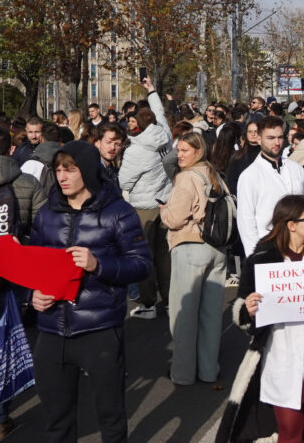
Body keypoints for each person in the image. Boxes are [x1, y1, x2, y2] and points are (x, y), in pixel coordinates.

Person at [29, 141, 152, 443]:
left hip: (99, 329)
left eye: (69, 169)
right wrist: (30, 294)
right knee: (56, 422)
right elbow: (31, 266)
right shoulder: (46, 213)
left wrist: (99, 264)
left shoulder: (118, 212)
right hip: (51, 329)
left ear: (86, 170)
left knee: (111, 418)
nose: (62, 177)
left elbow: (141, 265)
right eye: (58, 170)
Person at [217, 195, 304, 443]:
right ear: (291, 225)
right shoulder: (262, 258)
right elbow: (242, 312)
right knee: (290, 430)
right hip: (280, 356)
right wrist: (247, 310)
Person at [159, 131, 227, 386]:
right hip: (217, 248)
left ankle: (183, 373)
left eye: (185, 150)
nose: (179, 155)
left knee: (184, 315)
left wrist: (164, 210)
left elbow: (175, 218)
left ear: (198, 152)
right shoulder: (214, 173)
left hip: (191, 247)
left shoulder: (186, 177)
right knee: (211, 315)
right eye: (179, 150)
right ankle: (208, 370)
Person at [118, 80, 173, 320]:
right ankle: (170, 301)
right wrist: (151, 90)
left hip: (144, 208)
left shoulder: (136, 149)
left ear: (139, 125)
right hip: (166, 203)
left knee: (144, 256)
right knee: (165, 256)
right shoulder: (166, 136)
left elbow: (124, 182)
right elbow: (160, 114)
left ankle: (149, 303)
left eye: (133, 122)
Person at [237, 117, 304, 257]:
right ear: (259, 139)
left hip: (301, 247)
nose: (277, 143)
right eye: (271, 138)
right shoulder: (249, 176)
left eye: (280, 137)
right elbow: (246, 221)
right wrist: (255, 256)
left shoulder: (296, 169)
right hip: (269, 249)